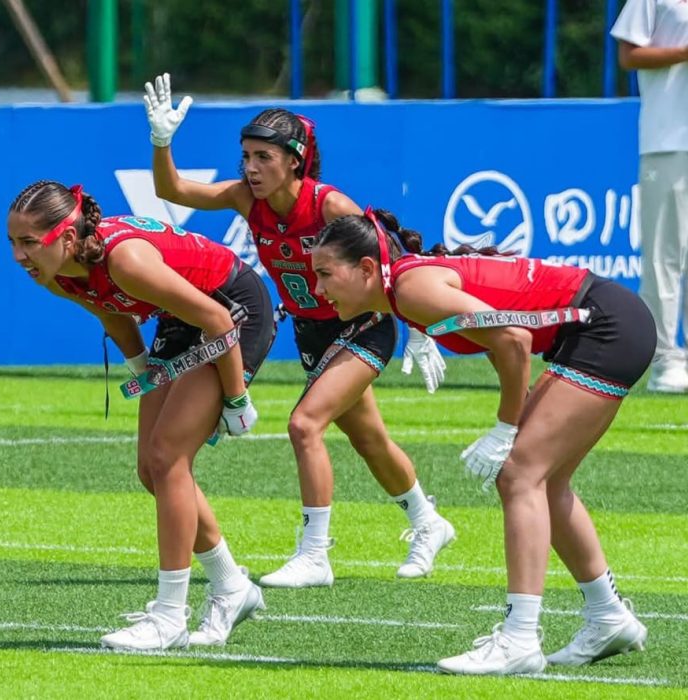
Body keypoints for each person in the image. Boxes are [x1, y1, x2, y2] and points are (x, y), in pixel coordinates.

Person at [143, 73, 455, 587]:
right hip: (312, 333)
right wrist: (161, 141)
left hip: (363, 325)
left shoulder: (329, 205)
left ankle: (315, 554)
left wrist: (420, 326)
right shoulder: (247, 199)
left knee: (304, 424)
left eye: (263, 157)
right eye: (246, 156)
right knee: (369, 439)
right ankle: (428, 521)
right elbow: (171, 189)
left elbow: (389, 254)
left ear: (295, 159)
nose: (250, 167)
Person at [311, 208, 653, 675]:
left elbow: (513, 340)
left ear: (367, 268)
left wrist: (507, 427)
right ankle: (607, 615)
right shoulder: (405, 289)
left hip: (605, 328)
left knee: (519, 476)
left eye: (325, 274)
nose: (318, 289)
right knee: (545, 482)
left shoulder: (411, 289)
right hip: (609, 323)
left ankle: (518, 640)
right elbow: (504, 341)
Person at [7, 180, 275, 650]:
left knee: (169, 456)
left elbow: (217, 320)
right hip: (182, 318)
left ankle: (169, 617)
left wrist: (236, 400)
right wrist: (145, 374)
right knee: (152, 470)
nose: (18, 256)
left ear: (67, 238)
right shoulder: (57, 274)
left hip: (234, 311)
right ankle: (232, 586)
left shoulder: (125, 261)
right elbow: (110, 312)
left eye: (29, 242)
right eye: (12, 242)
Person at [610, 1, 688, 392]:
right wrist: (684, 53)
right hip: (670, 140)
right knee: (665, 256)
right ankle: (665, 361)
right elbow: (628, 55)